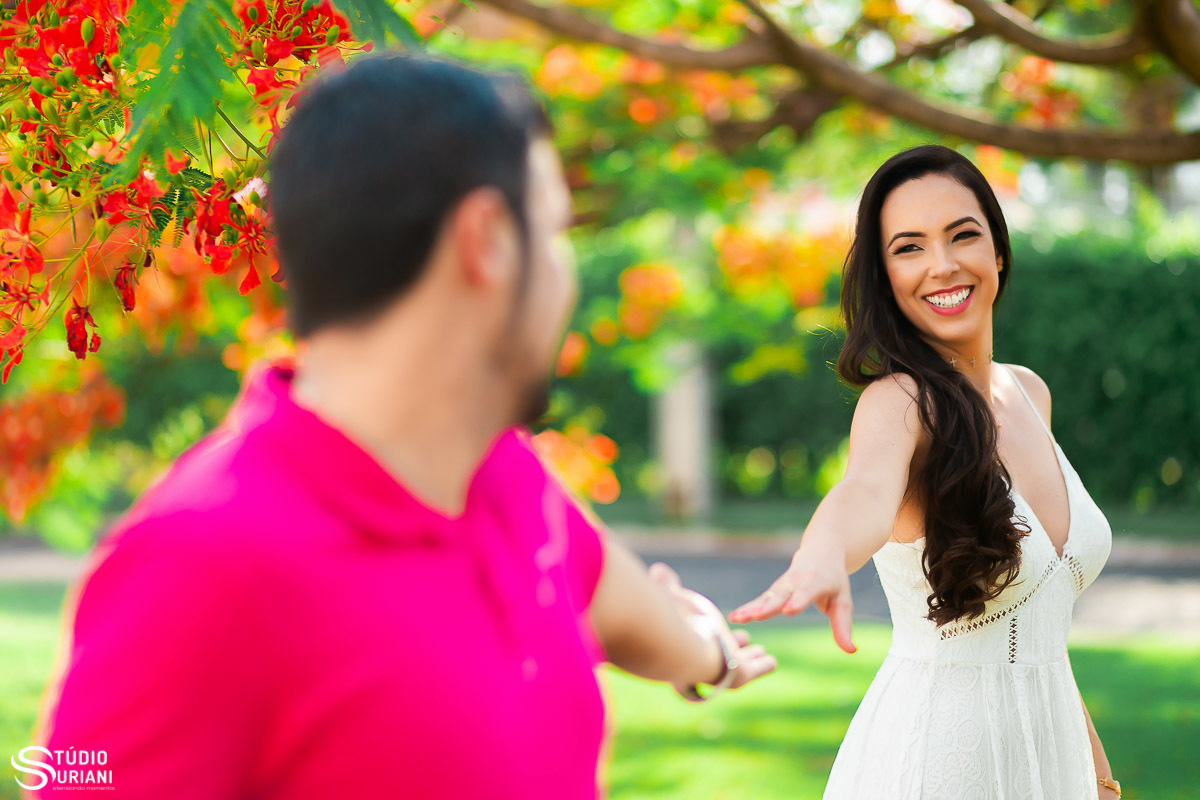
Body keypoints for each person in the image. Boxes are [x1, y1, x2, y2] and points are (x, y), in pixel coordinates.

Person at [29, 55, 776, 799]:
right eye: (553, 229)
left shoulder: (505, 485)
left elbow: (622, 605)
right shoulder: (196, 562)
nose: (566, 272)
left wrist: (712, 652)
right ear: (485, 239)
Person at [729, 145, 1119, 799]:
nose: (941, 265)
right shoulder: (902, 403)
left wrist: (1097, 777)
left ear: (998, 250)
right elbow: (865, 492)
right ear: (884, 275)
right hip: (935, 767)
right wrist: (821, 553)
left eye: (962, 235)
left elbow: (1038, 635)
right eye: (909, 247)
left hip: (1049, 769)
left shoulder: (1029, 393)